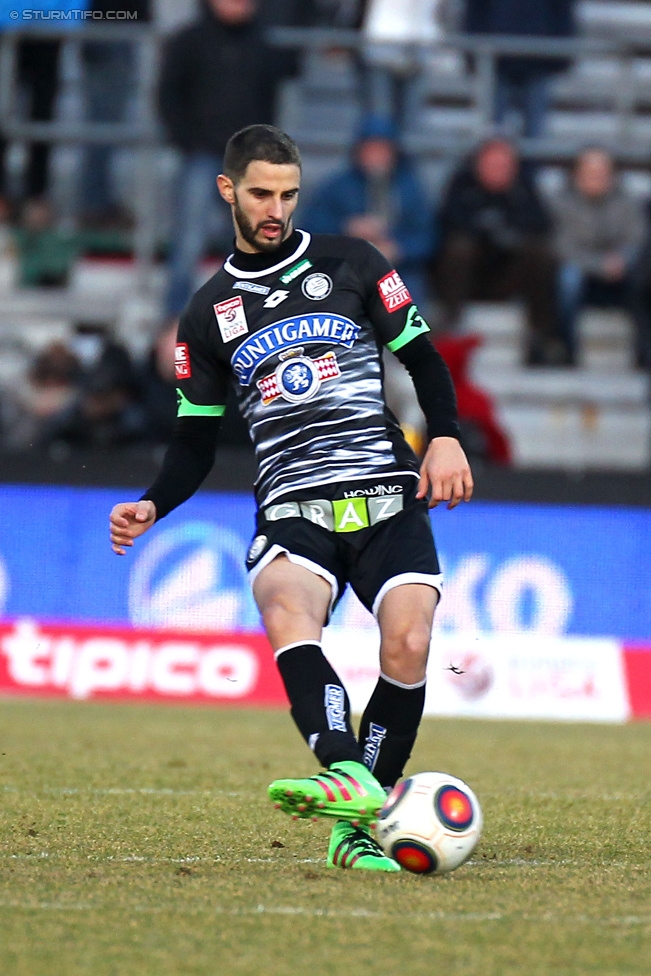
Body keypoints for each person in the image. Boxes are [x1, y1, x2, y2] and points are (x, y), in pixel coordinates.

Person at [109, 124, 472, 873]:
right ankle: (348, 777)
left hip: (384, 494)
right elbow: (194, 442)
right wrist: (153, 503)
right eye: (261, 194)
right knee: (286, 608)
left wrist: (445, 437)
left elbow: (423, 358)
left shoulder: (353, 263)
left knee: (408, 642)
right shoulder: (207, 314)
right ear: (227, 191)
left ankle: (351, 821)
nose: (275, 208)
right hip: (290, 507)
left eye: (288, 194)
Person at [158, 0, 298, 318]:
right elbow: (168, 95)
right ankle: (175, 316)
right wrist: (187, 142)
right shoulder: (188, 41)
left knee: (247, 240)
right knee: (188, 240)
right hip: (201, 156)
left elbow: (272, 98)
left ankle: (245, 312)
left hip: (246, 163)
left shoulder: (263, 44)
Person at [433, 136, 564, 366]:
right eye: (491, 165)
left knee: (541, 254)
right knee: (458, 247)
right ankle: (449, 323)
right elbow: (447, 223)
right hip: (469, 275)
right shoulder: (462, 185)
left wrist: (509, 234)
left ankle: (541, 336)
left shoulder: (524, 189)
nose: (497, 171)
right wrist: (484, 230)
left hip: (509, 275)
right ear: (478, 165)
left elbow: (541, 224)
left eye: (504, 166)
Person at [303, 114, 434, 308]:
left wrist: (399, 249)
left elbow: (427, 235)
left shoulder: (410, 189)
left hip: (398, 271)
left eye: (382, 149)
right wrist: (346, 228)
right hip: (345, 265)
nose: (376, 155)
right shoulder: (336, 186)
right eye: (370, 149)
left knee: (406, 311)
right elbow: (309, 229)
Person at [551, 147, 645, 366]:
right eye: (590, 172)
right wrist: (600, 265)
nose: (596, 178)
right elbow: (562, 246)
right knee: (567, 279)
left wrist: (623, 260)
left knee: (643, 277)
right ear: (577, 174)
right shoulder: (561, 204)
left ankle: (642, 351)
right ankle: (566, 347)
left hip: (622, 270)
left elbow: (637, 239)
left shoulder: (627, 202)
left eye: (602, 172)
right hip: (582, 270)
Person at [463, 0, 576, 138]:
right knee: (492, 133)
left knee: (535, 132)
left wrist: (560, 59)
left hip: (538, 63)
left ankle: (534, 159)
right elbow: (474, 13)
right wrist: (473, 57)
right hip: (495, 64)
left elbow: (563, 14)